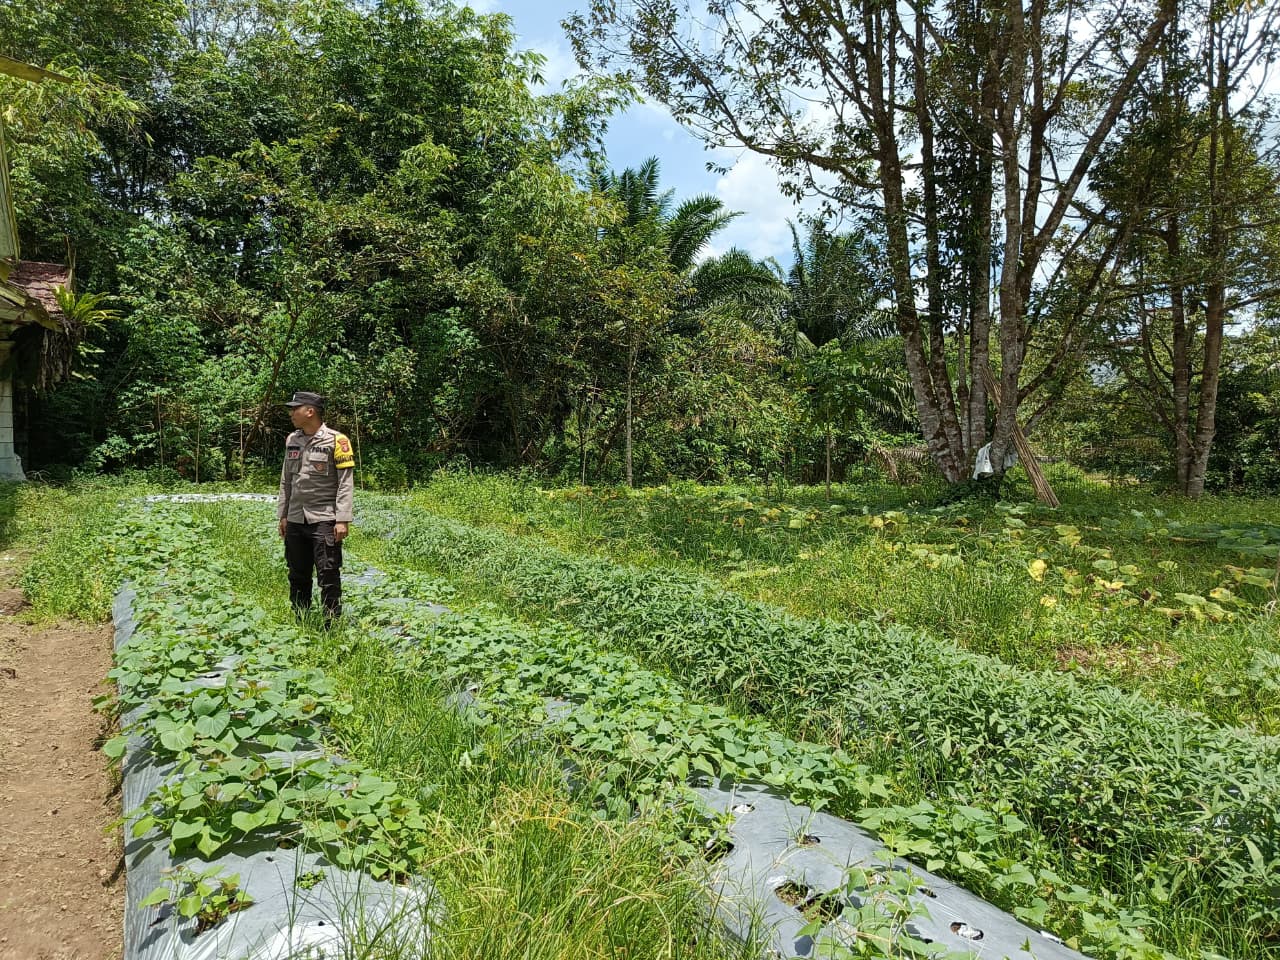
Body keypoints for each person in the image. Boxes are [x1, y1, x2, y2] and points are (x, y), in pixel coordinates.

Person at [277, 391, 355, 625]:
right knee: (297, 573)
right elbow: (286, 480)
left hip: (324, 518)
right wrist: (283, 515)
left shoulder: (337, 442)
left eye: (295, 408)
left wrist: (342, 519)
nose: (291, 413)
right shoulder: (292, 440)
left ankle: (332, 622)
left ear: (309, 411)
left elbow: (345, 483)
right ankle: (300, 619)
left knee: (328, 573)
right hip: (296, 519)